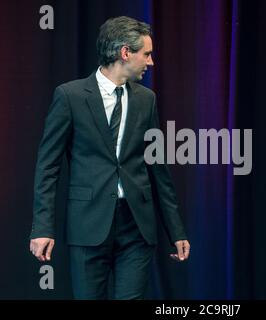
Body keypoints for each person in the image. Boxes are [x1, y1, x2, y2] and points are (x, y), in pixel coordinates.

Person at [29, 16, 190, 300]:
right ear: (125, 52)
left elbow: (157, 167)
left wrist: (176, 231)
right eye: (147, 54)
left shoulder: (146, 99)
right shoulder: (70, 96)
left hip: (136, 226)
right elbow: (48, 166)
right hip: (88, 225)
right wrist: (42, 227)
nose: (151, 63)